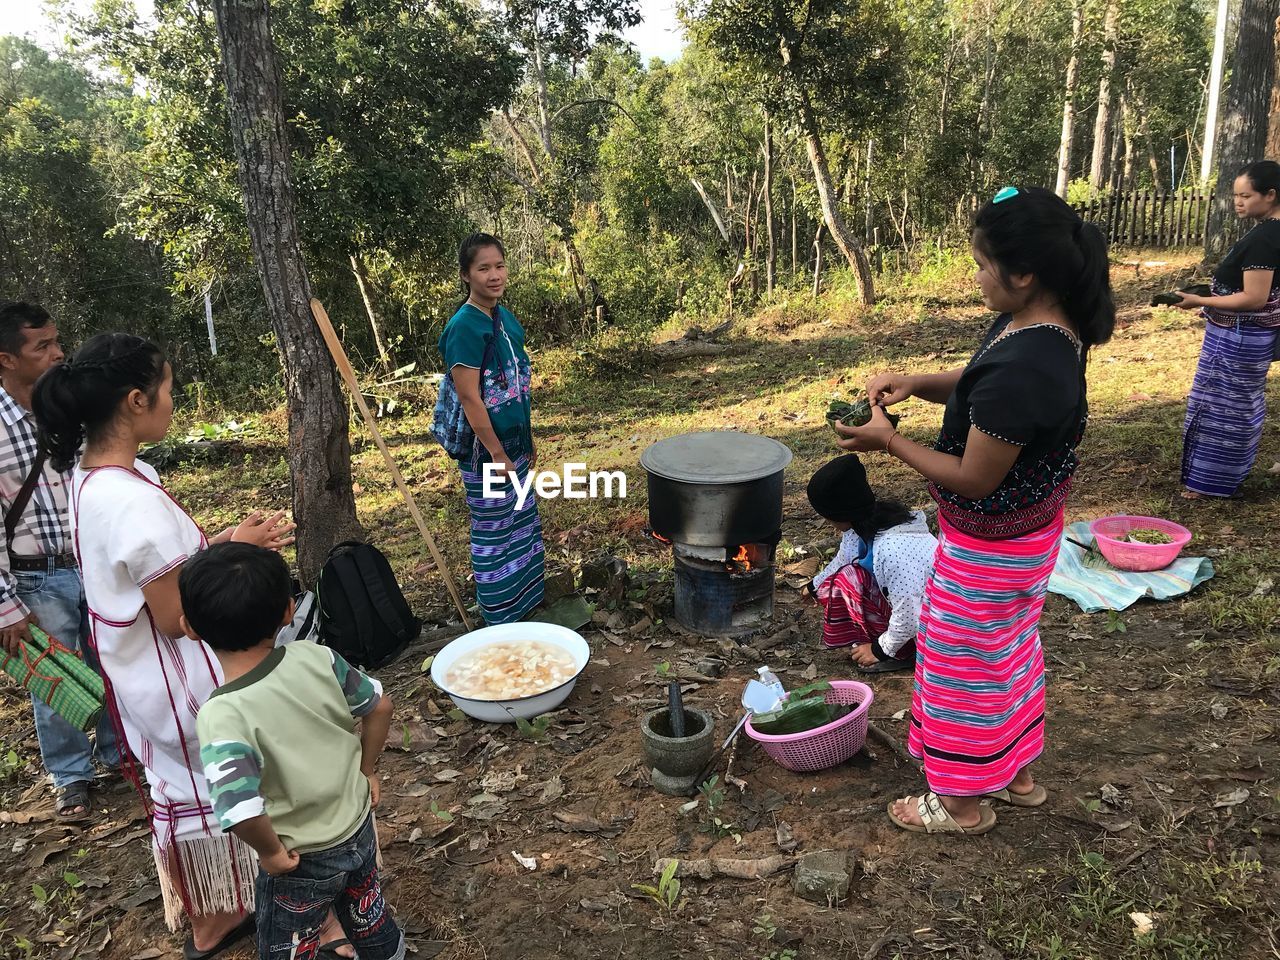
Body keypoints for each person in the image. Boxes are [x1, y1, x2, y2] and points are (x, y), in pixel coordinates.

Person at [835, 186, 1115, 835]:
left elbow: (974, 477)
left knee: (961, 664)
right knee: (1006, 651)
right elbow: (981, 382)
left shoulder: (1030, 368)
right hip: (1023, 538)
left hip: (989, 551)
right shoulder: (1044, 325)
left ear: (1023, 275)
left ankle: (961, 802)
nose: (976, 275)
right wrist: (920, 384)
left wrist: (890, 440)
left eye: (984, 265)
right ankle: (1014, 772)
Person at [32, 333, 299, 958]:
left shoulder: (95, 476)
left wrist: (229, 538)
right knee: (214, 785)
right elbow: (180, 615)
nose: (172, 400)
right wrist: (244, 566)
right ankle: (225, 916)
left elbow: (163, 574)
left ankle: (222, 905)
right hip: (176, 677)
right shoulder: (131, 505)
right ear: (134, 400)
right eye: (169, 389)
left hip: (137, 672)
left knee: (182, 784)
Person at [186, 543, 401, 960]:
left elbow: (240, 809)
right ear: (288, 610)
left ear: (189, 627)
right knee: (365, 908)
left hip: (299, 855)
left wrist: (270, 853)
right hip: (356, 824)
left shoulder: (221, 714)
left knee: (290, 940)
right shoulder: (318, 657)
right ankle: (389, 953)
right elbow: (381, 707)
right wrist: (368, 769)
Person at [0, 301, 119, 820]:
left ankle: (119, 753)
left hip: (93, 561)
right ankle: (71, 775)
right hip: (35, 578)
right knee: (55, 681)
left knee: (113, 658)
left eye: (56, 341)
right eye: (42, 346)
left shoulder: (69, 407)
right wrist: (5, 603)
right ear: (6, 358)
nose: (57, 353)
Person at [438, 232, 545, 624]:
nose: (494, 275)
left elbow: (518, 386)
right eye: (484, 268)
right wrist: (497, 453)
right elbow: (470, 398)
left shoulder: (503, 317)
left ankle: (524, 602)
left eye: (499, 266)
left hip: (515, 443)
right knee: (494, 528)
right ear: (466, 275)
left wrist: (526, 443)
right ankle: (500, 616)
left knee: (519, 517)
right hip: (488, 452)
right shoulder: (465, 327)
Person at [1175, 160, 1280, 499]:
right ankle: (1224, 475)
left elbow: (1254, 298)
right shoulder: (1270, 230)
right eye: (1235, 195)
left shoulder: (1265, 238)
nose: (1238, 202)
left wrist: (1201, 302)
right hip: (1248, 336)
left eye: (1246, 195)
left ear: (1270, 195)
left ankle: (1210, 483)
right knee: (1240, 403)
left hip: (1239, 338)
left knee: (1223, 408)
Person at [804, 454, 936, 674]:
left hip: (933, 623)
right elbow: (844, 558)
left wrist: (880, 650)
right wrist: (814, 586)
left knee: (849, 580)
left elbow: (910, 612)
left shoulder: (894, 549)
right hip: (914, 608)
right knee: (845, 576)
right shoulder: (863, 525)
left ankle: (903, 652)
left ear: (839, 514)